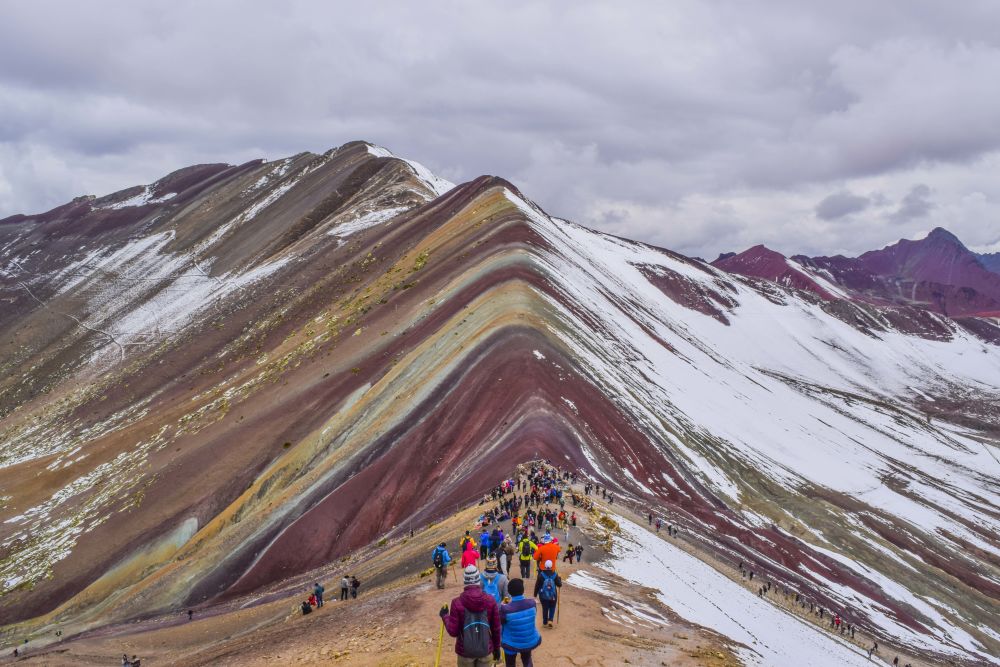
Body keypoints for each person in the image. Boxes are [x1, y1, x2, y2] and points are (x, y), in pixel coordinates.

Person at [440, 565, 502, 666]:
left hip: (465, 652)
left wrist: (445, 616)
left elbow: (453, 631)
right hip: (485, 650)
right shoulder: (490, 600)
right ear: (478, 580)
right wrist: (497, 647)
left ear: (465, 581)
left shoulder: (456, 603)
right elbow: (496, 628)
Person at [500, 578, 541, 666]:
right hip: (528, 639)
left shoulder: (505, 609)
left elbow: (501, 622)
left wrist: (502, 605)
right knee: (527, 659)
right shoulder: (532, 603)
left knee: (510, 663)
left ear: (509, 592)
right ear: (522, 590)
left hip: (511, 642)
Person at [533, 560, 562, 628]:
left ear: (545, 566)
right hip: (553, 595)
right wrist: (559, 579)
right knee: (552, 606)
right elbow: (559, 585)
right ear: (551, 566)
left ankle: (545, 622)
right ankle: (550, 620)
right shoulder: (555, 574)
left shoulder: (541, 574)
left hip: (543, 595)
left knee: (545, 607)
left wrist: (535, 594)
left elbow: (537, 585)